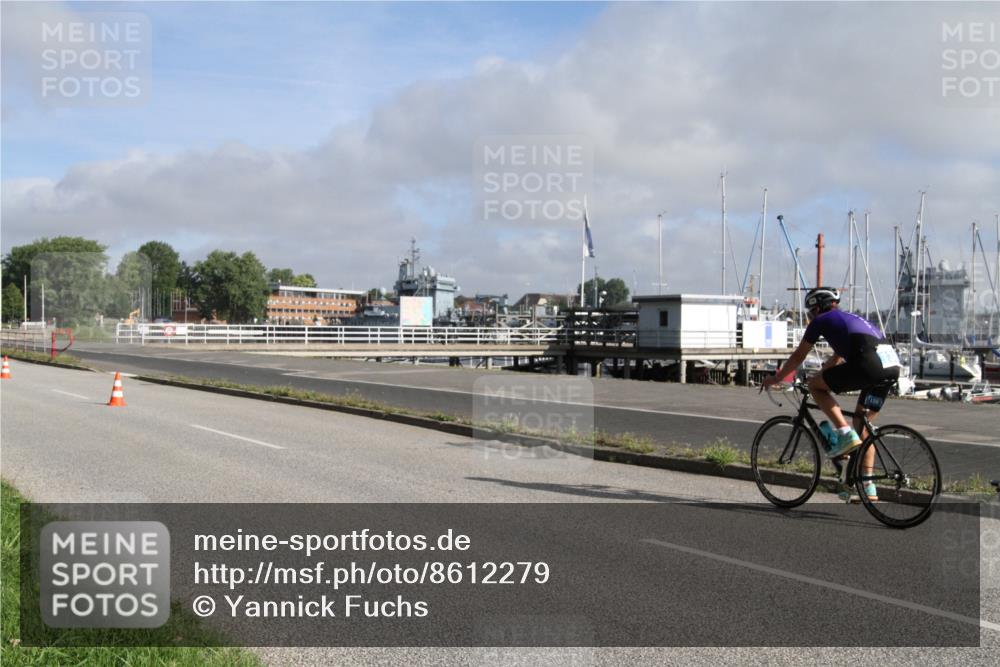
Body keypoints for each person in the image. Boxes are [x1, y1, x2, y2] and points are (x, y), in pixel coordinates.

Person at [761, 287, 900, 500]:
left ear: (818, 307)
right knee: (863, 429)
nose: (809, 317)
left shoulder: (822, 320)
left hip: (870, 364)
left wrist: (777, 378)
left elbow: (798, 356)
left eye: (810, 312)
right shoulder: (848, 319)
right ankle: (866, 486)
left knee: (818, 389)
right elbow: (836, 358)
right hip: (890, 367)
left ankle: (844, 434)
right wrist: (820, 374)